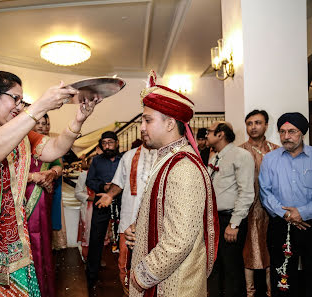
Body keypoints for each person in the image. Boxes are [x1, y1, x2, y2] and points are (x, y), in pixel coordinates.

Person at [0, 70, 100, 296]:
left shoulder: (18, 133)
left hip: (11, 235)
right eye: (14, 98)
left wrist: (79, 118)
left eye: (21, 100)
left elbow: (55, 148)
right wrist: (39, 107)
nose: (18, 105)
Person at [124, 70, 219, 297]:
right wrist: (140, 231)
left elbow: (179, 241)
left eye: (148, 120)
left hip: (175, 286)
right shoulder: (168, 159)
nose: (142, 128)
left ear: (169, 124)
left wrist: (141, 276)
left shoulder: (183, 168)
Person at [96, 135, 157, 296]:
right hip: (129, 220)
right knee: (124, 264)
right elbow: (119, 182)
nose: (144, 130)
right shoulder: (129, 156)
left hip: (156, 223)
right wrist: (110, 195)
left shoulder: (164, 155)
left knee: (153, 265)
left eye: (148, 123)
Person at [259, 112, 312, 297]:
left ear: (302, 133)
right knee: (281, 276)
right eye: (282, 132)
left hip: (310, 224)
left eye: (292, 131)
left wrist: (303, 212)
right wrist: (288, 215)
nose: (286, 137)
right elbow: (265, 192)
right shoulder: (270, 159)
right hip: (281, 225)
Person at [206, 121, 255, 297]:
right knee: (215, 267)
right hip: (214, 220)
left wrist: (234, 225)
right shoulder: (215, 157)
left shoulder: (241, 155)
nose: (206, 135)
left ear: (221, 134)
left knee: (232, 269)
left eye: (209, 131)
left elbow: (246, 193)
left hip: (230, 220)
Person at [239, 110, 278, 297]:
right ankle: (250, 292)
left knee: (272, 250)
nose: (253, 127)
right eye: (249, 123)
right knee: (250, 251)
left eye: (257, 122)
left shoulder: (277, 151)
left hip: (273, 210)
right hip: (248, 210)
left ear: (266, 125)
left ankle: (271, 292)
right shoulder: (239, 151)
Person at [25, 113, 63, 297]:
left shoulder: (49, 145)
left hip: (43, 197)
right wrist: (35, 178)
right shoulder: (21, 142)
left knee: (43, 240)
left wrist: (52, 174)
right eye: (37, 123)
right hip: (23, 198)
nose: (41, 126)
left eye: (44, 123)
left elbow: (58, 165)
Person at [85, 131, 123, 291]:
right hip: (101, 201)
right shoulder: (96, 161)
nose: (107, 146)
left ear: (117, 143)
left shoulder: (125, 160)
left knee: (126, 237)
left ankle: (127, 273)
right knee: (96, 238)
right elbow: (89, 180)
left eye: (110, 142)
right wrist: (104, 187)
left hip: (122, 203)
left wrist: (115, 189)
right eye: (104, 143)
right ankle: (91, 276)